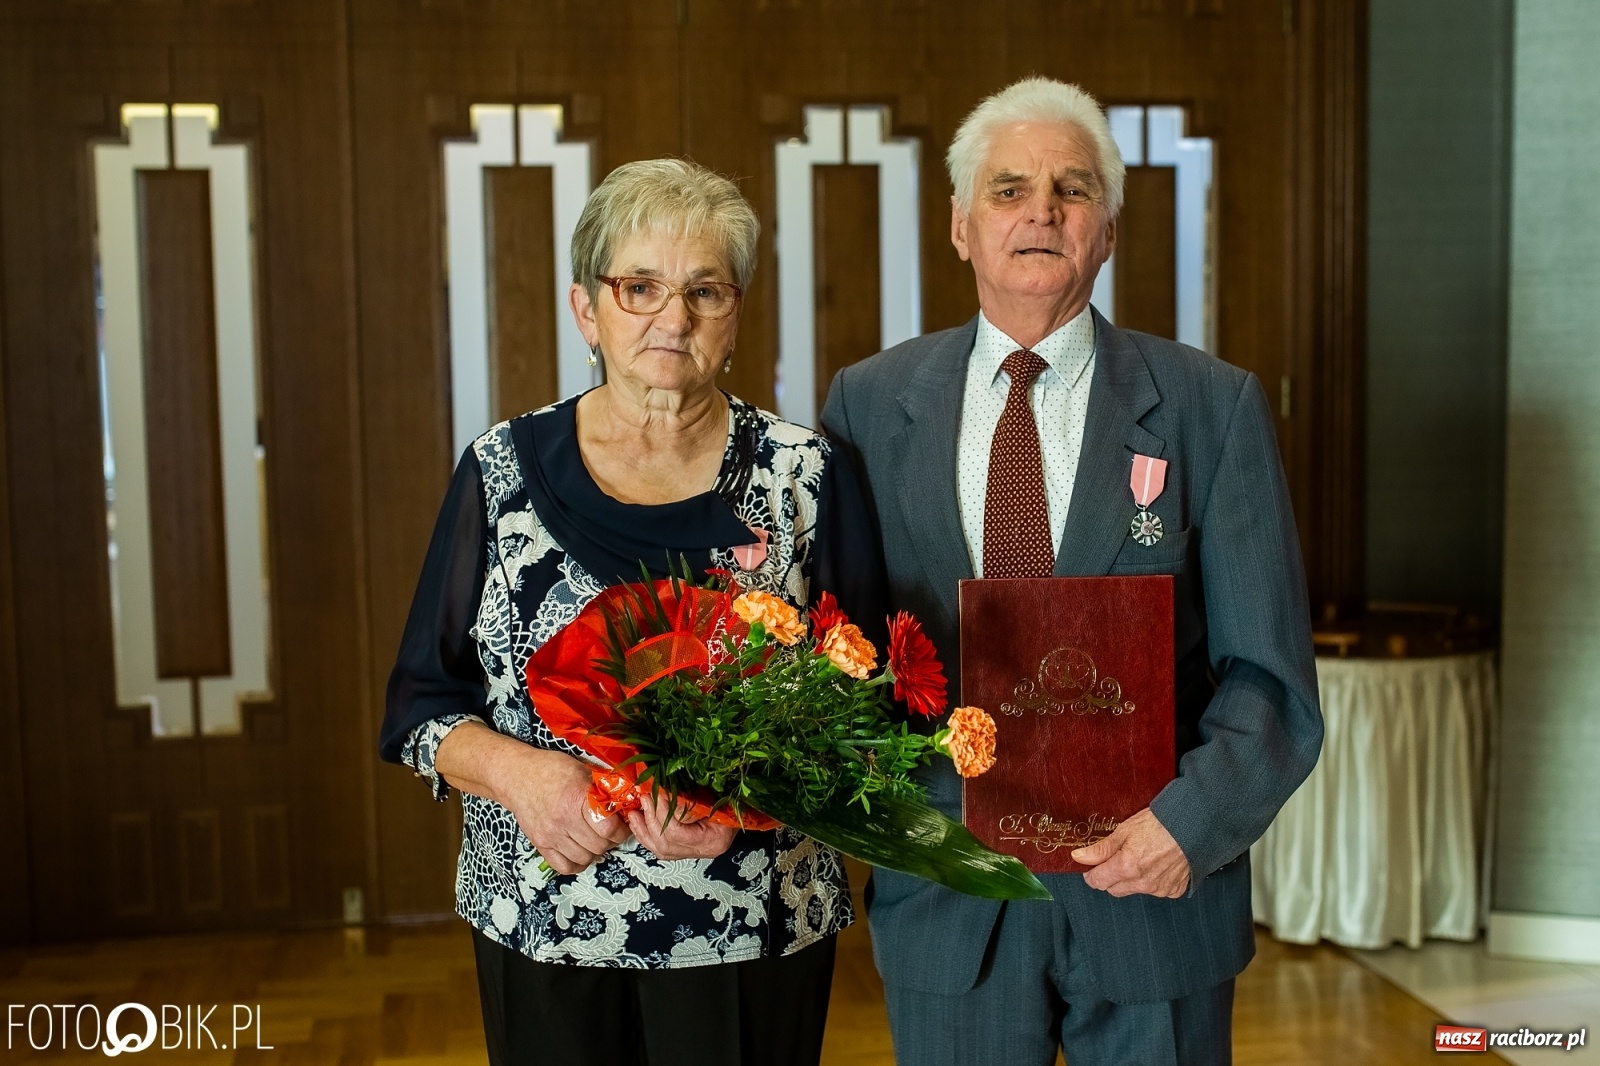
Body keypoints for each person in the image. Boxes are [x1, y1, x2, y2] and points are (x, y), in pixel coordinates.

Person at [821, 77, 1323, 1065]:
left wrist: (1189, 825)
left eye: (1071, 188)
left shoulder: (1208, 408)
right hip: (950, 892)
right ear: (961, 225)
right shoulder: (867, 407)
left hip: (1154, 897)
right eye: (1008, 190)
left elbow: (1269, 676)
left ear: (1110, 228)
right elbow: (847, 662)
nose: (1040, 210)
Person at [381, 158, 883, 1066]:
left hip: (750, 924)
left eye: (705, 290)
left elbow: (874, 707)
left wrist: (751, 802)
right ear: (587, 310)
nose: (672, 317)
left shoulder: (804, 479)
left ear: (735, 316)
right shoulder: (499, 473)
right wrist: (523, 778)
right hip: (541, 920)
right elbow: (419, 708)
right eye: (640, 286)